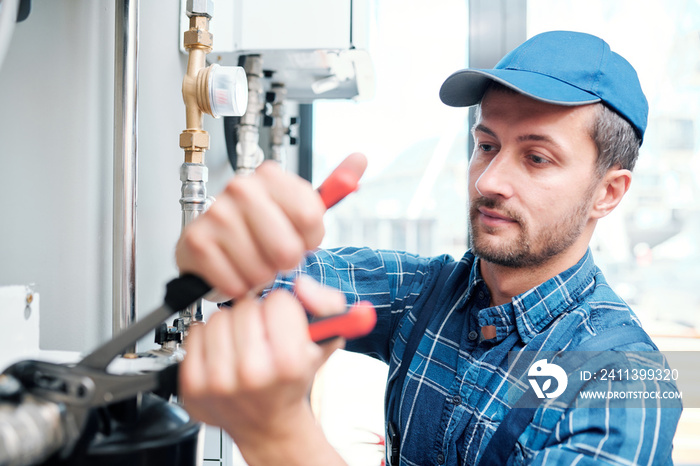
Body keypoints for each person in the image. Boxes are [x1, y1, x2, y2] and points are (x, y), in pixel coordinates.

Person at [176, 31, 682, 465]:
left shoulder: (620, 382)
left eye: (536, 158)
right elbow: (263, 280)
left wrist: (280, 435)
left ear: (608, 193)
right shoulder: (429, 293)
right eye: (486, 146)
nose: (490, 180)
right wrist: (223, 250)